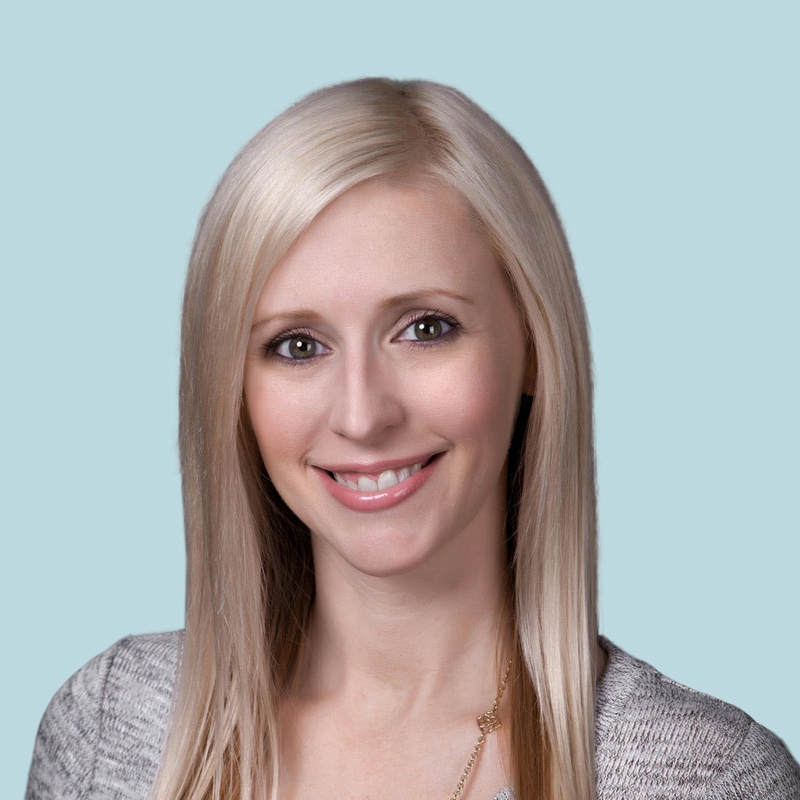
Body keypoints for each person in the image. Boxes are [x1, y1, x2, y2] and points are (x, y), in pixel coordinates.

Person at [24, 78, 800, 800]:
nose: (363, 415)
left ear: (533, 345)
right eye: (298, 345)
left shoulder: (701, 777)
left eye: (426, 329)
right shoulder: (109, 732)